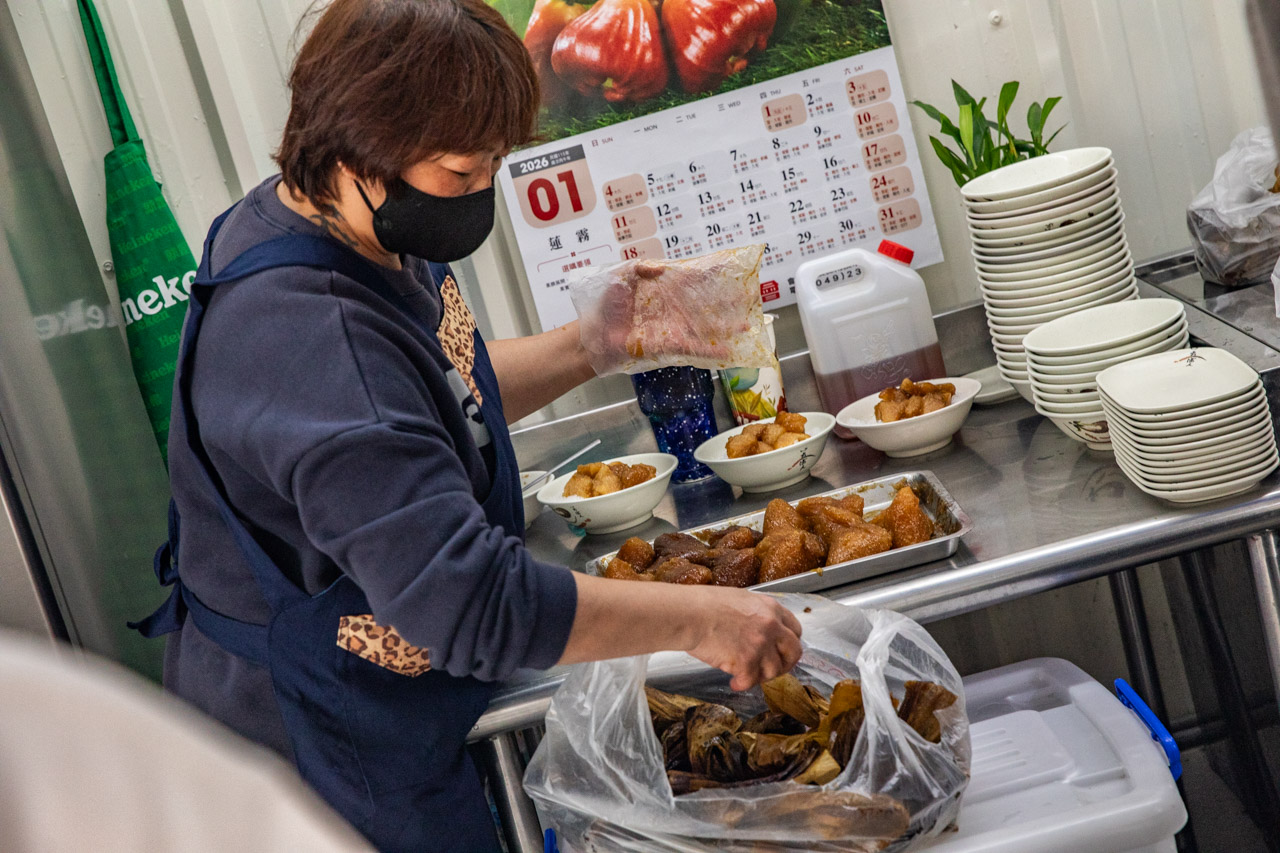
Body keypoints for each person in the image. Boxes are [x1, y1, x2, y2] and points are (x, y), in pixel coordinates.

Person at [130, 1, 803, 850]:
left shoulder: (348, 221)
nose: (482, 193)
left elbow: (437, 398)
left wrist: (596, 343)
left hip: (401, 707)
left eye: (497, 164)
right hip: (324, 763)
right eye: (460, 173)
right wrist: (703, 618)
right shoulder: (310, 337)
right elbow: (472, 603)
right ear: (355, 147)